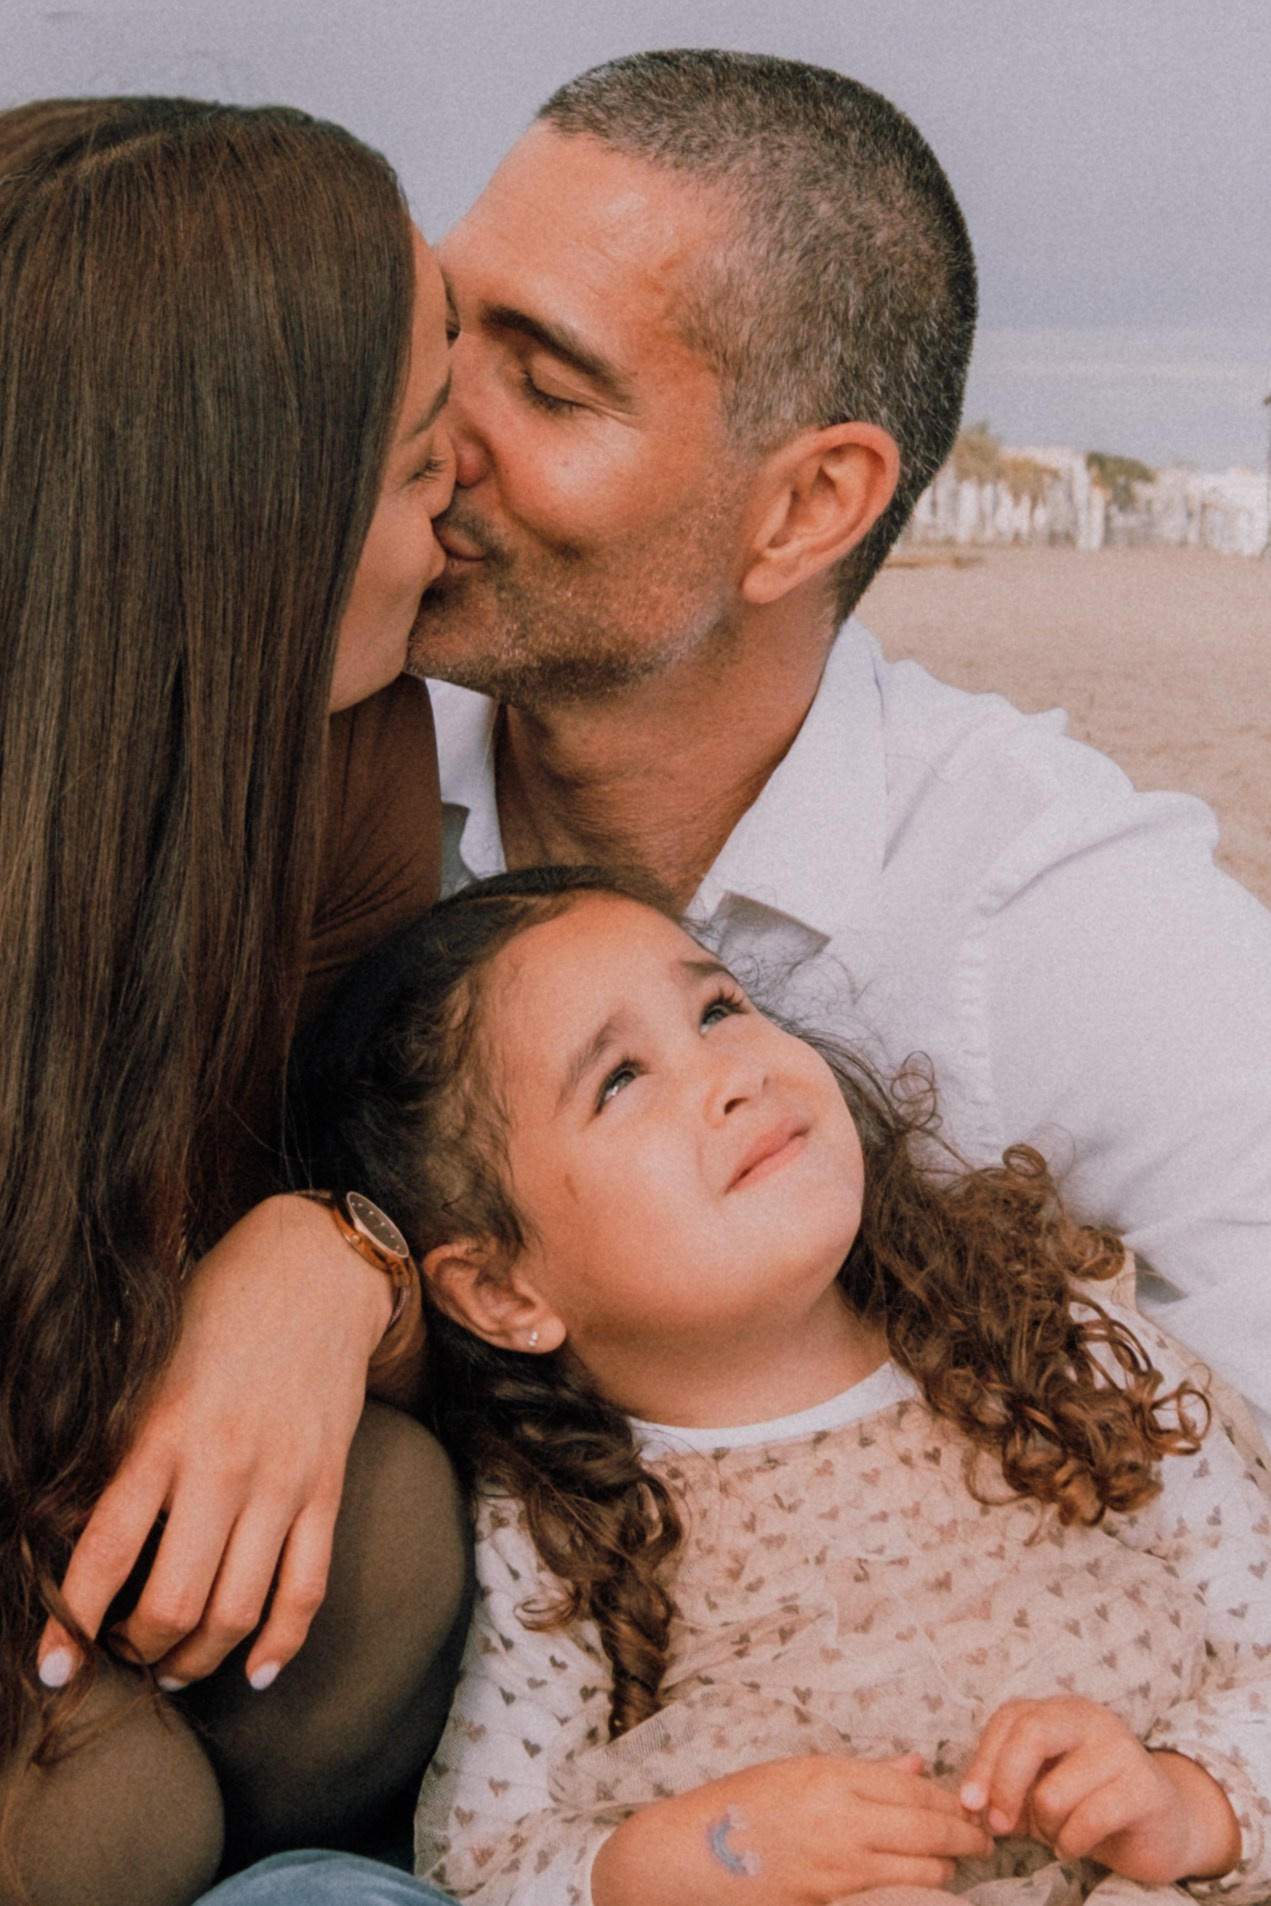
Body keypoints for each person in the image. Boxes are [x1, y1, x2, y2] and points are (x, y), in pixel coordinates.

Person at [413, 49, 1271, 1424]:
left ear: (807, 507)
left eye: (549, 388)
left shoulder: (1038, 901)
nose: (430, 430)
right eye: (444, 334)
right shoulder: (331, 760)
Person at [208, 866, 1271, 1906]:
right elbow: (487, 1863)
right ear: (500, 1288)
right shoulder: (562, 1522)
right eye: (619, 1078)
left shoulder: (1055, 1341)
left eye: (718, 1007)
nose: (733, 1071)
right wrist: (711, 1856)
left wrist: (1184, 1800)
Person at [0, 96, 468, 1906]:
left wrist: (329, 1256)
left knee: (390, 1537)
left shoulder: (341, 745)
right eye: (424, 464)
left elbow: (423, 1197)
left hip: (83, 1445)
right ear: (239, 516)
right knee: (92, 1813)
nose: (459, 522)